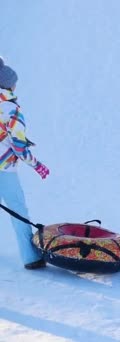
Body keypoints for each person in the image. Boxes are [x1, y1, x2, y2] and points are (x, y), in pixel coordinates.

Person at [0, 57, 50, 270]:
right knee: (18, 211)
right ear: (8, 84)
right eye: (14, 82)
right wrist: (37, 165)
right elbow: (19, 146)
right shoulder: (11, 109)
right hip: (4, 169)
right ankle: (31, 258)